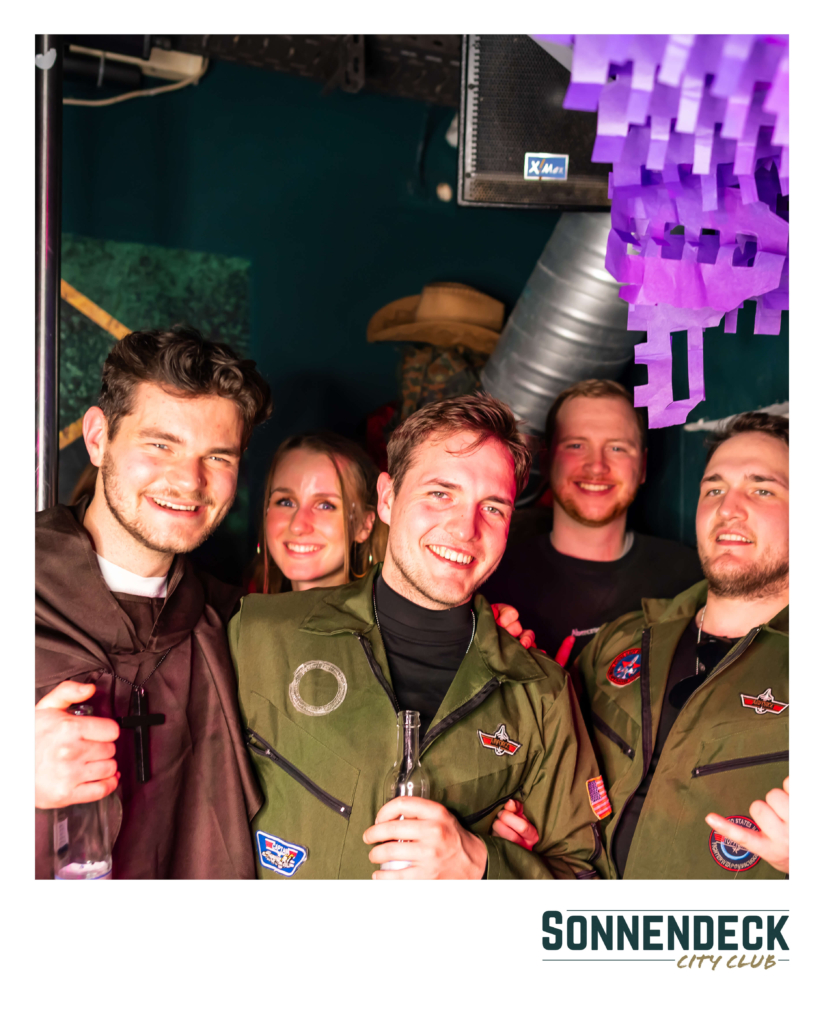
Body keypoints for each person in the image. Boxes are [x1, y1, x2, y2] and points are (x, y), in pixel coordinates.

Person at [229, 394, 609, 880]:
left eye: (492, 507)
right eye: (440, 494)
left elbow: (585, 879)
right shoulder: (256, 636)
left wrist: (484, 866)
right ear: (387, 498)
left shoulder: (542, 694)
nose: (465, 529)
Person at [493, 412, 789, 879]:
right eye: (713, 489)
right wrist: (525, 828)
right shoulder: (623, 637)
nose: (728, 508)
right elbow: (539, 763)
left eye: (762, 490)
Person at [35, 326, 272, 879]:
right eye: (160, 444)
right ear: (98, 438)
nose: (189, 480)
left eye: (218, 456)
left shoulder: (236, 627)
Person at [483, 379, 702, 667]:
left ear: (642, 466)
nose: (597, 466)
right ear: (546, 462)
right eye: (576, 445)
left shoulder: (691, 579)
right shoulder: (491, 579)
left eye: (617, 448)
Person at [249, 431, 388, 594]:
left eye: (325, 506)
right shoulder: (244, 607)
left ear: (364, 525)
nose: (297, 526)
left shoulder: (385, 610)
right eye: (286, 502)